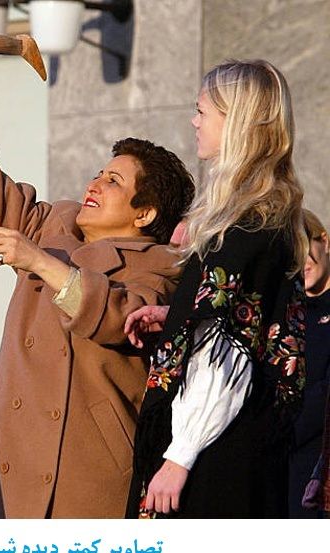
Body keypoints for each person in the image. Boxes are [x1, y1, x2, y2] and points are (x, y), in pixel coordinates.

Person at [0, 30, 195, 518]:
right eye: (99, 173)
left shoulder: (163, 267)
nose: (95, 184)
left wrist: (39, 261)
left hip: (83, 471)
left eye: (113, 181)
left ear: (145, 213)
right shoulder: (54, 224)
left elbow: (122, 318)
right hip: (8, 455)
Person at [125, 59, 308, 518]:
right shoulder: (269, 216)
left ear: (237, 122)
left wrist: (180, 455)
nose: (194, 122)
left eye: (202, 111)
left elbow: (226, 354)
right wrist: (178, 318)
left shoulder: (243, 227)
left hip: (212, 460)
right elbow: (249, 323)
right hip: (245, 451)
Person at [298, 210, 330, 517]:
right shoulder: (287, 312)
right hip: (286, 461)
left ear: (324, 242)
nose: (300, 262)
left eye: (304, 246)